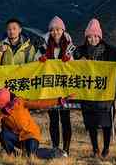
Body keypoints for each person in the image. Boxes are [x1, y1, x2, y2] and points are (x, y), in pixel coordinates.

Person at [73, 18, 116, 158]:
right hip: (88, 94)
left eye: (95, 36)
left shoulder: (110, 51)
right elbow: (70, 65)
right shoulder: (80, 51)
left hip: (104, 93)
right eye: (89, 36)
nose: (92, 39)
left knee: (106, 122)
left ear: (99, 36)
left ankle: (105, 148)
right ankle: (95, 148)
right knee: (91, 122)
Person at [0, 88, 74, 157]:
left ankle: (56, 153)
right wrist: (1, 111)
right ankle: (14, 156)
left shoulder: (20, 102)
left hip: (30, 135)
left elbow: (39, 103)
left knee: (32, 155)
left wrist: (59, 101)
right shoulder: (1, 111)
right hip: (17, 138)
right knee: (3, 135)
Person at [36, 16, 75, 155]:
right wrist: (40, 60)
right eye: (52, 30)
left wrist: (69, 60)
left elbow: (76, 66)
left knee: (65, 119)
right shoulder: (43, 46)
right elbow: (36, 62)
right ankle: (55, 147)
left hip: (65, 89)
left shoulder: (70, 46)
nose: (55, 32)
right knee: (53, 119)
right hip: (50, 89)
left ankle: (66, 149)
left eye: (58, 29)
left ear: (63, 30)